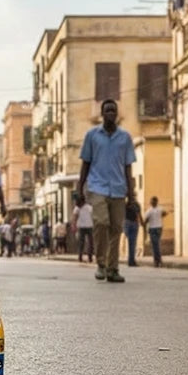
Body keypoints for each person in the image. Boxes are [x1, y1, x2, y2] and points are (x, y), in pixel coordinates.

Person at [77, 98, 136, 284]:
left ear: (116, 114)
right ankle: (101, 263)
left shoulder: (125, 138)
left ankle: (113, 268)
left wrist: (132, 195)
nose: (110, 113)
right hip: (97, 187)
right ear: (102, 114)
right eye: (107, 110)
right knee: (101, 222)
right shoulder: (92, 136)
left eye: (113, 110)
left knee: (116, 228)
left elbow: (128, 168)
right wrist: (80, 188)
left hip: (119, 189)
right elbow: (85, 164)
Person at [144, 196, 168, 268]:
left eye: (152, 201)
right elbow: (165, 213)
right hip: (158, 228)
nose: (152, 202)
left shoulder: (149, 211)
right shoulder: (160, 209)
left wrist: (143, 224)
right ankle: (158, 260)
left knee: (155, 245)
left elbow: (146, 220)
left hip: (153, 229)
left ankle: (157, 260)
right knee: (156, 244)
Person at [73, 194, 94, 263]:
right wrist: (74, 225)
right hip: (81, 227)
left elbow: (93, 217)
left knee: (90, 243)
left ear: (83, 202)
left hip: (89, 226)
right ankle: (80, 256)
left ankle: (90, 256)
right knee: (81, 243)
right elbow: (75, 217)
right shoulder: (77, 208)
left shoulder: (89, 207)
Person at [123, 198, 142, 267]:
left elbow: (139, 214)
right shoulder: (126, 204)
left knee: (132, 243)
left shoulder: (135, 204)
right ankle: (131, 260)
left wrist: (141, 223)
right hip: (129, 223)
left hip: (132, 223)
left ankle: (131, 260)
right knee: (131, 243)